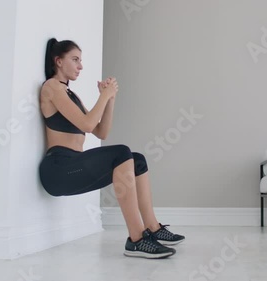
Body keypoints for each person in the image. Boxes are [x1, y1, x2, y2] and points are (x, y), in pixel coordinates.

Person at [38, 38, 185, 259]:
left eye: (81, 60)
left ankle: (153, 228)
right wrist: (104, 95)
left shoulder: (70, 94)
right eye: (75, 59)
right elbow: (88, 124)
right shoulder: (51, 87)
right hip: (58, 169)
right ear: (58, 61)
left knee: (137, 159)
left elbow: (100, 132)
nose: (80, 66)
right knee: (122, 152)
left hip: (74, 166)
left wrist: (110, 99)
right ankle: (136, 240)